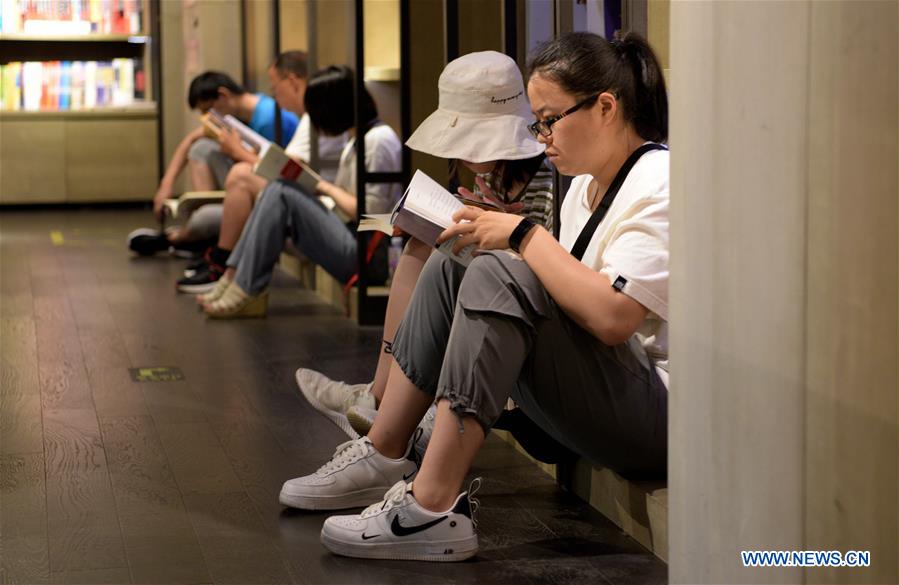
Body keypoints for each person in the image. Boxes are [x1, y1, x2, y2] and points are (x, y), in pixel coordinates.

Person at [281, 31, 670, 563]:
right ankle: (384, 448)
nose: (543, 136)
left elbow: (613, 317)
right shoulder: (583, 184)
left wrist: (522, 236)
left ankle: (430, 505)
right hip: (605, 394)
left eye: (550, 119)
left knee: (495, 269)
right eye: (538, 122)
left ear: (606, 107)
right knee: (450, 261)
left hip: (656, 419)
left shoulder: (659, 179)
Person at [291, 51, 554, 445]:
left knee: (423, 253)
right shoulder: (500, 174)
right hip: (500, 283)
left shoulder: (546, 178)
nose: (463, 154)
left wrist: (503, 227)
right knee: (419, 246)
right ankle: (377, 394)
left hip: (523, 304)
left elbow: (545, 260)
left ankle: (379, 400)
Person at [197, 65, 402, 317]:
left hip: (371, 256)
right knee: (278, 187)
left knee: (281, 191)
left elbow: (372, 214)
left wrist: (322, 187)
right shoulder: (358, 139)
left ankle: (245, 287)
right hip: (353, 238)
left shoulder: (379, 140)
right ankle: (234, 279)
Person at [175, 52, 347, 293]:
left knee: (241, 177)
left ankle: (225, 267)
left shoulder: (307, 118)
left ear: (294, 82)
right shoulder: (308, 119)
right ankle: (225, 267)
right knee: (227, 175)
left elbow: (289, 173)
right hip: (314, 204)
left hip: (320, 211)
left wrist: (239, 152)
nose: (275, 96)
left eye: (276, 88)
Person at [128, 70, 300, 256]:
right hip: (246, 186)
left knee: (204, 218)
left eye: (208, 110)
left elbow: (275, 170)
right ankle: (198, 239)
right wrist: (166, 185)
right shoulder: (241, 114)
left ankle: (177, 239)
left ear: (223, 95)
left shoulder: (269, 119)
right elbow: (191, 140)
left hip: (268, 192)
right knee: (201, 148)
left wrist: (237, 152)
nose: (207, 118)